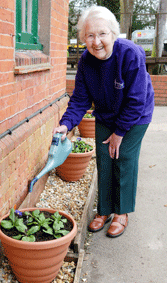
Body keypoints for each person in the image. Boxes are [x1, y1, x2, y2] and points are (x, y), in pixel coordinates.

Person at [53, 6, 154, 238]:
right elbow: (79, 99)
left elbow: (137, 100)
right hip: (107, 114)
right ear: (83, 38)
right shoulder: (86, 62)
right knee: (104, 158)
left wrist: (119, 133)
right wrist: (65, 125)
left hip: (136, 115)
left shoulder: (130, 54)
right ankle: (105, 210)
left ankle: (122, 212)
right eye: (90, 35)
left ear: (113, 34)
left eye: (102, 34)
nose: (96, 41)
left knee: (123, 156)